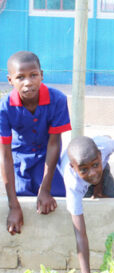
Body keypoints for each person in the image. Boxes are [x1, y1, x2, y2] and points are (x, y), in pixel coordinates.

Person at [0, 51, 71, 235]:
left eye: (33, 75)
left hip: (44, 156)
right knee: (21, 197)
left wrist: (45, 188)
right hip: (17, 157)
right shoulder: (4, 107)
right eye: (20, 77)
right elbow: (5, 155)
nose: (28, 82)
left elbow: (54, 144)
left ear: (42, 75)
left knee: (58, 197)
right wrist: (13, 205)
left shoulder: (57, 100)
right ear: (10, 80)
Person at [60, 135, 114, 273]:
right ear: (74, 168)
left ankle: (98, 186)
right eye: (84, 169)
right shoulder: (73, 184)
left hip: (101, 162)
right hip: (77, 182)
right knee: (86, 189)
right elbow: (80, 235)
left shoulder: (108, 146)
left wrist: (99, 187)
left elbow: (98, 167)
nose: (92, 172)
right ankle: (92, 186)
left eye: (95, 165)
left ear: (100, 157)